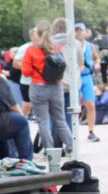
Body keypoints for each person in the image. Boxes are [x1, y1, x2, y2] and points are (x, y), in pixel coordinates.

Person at [21, 20, 74, 155]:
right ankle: (71, 147)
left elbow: (26, 72)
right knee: (60, 120)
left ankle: (50, 151)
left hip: (38, 88)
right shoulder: (56, 47)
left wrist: (36, 70)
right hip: (56, 87)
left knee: (43, 121)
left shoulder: (31, 50)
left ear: (37, 33)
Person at [0, 72, 34, 160]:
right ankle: (26, 162)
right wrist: (22, 116)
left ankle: (7, 160)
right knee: (21, 122)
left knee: (3, 127)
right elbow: (13, 105)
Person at [75, 23, 101, 142]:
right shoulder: (71, 46)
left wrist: (97, 64)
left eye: (81, 30)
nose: (79, 33)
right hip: (74, 77)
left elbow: (96, 58)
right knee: (73, 106)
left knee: (90, 104)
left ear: (86, 32)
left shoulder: (90, 46)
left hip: (87, 76)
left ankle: (91, 132)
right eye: (77, 31)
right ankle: (71, 133)